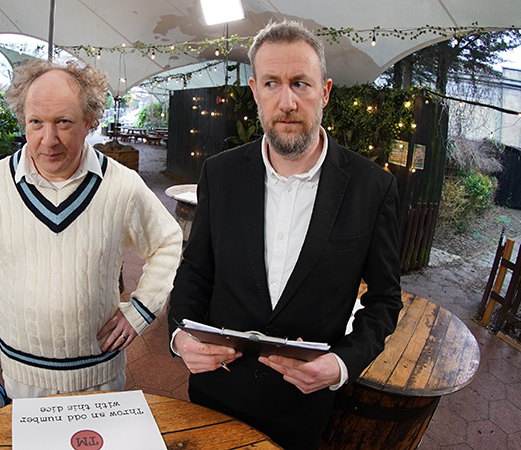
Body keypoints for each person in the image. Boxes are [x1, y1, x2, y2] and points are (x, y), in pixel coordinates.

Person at [167, 20, 403, 449]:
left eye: (301, 84)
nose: (287, 101)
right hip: (212, 399)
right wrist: (179, 334)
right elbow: (196, 271)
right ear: (256, 91)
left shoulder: (372, 188)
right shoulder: (219, 174)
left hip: (300, 412)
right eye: (273, 84)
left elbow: (384, 301)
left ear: (325, 92)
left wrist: (342, 365)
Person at [0, 59, 182, 399]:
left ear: (89, 122)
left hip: (99, 373)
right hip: (23, 374)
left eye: (63, 122)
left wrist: (140, 310)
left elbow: (168, 242)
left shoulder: (121, 186)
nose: (48, 139)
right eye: (35, 122)